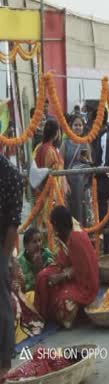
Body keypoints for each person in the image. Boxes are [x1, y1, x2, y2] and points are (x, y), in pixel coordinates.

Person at [33, 206, 98, 328]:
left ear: (59, 225)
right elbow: (64, 259)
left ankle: (53, 313)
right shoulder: (67, 234)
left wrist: (61, 277)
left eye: (54, 226)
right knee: (42, 277)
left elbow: (82, 270)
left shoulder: (76, 238)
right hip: (68, 271)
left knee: (63, 303)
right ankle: (41, 315)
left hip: (84, 285)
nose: (54, 230)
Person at [0, 156, 23, 380]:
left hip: (1, 246)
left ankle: (4, 367)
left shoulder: (10, 175)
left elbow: (13, 222)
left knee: (2, 304)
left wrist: (5, 258)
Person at [33, 119, 69, 240]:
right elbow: (52, 175)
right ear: (56, 133)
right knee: (51, 228)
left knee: (43, 227)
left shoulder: (39, 148)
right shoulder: (50, 151)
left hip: (41, 194)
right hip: (50, 196)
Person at [91, 111, 109, 253]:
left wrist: (91, 169)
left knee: (105, 218)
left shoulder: (104, 138)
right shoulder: (103, 136)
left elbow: (104, 164)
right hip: (106, 181)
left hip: (106, 183)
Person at [60, 115, 93, 226]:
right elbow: (60, 165)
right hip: (68, 184)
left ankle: (81, 231)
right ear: (71, 127)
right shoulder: (65, 144)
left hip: (81, 185)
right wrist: (64, 181)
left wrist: (85, 160)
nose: (78, 127)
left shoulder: (85, 143)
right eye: (76, 125)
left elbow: (89, 164)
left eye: (80, 125)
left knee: (81, 209)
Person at [17, 227, 54, 293]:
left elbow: (52, 281)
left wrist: (41, 269)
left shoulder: (47, 255)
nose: (38, 244)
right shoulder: (20, 261)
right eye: (34, 242)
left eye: (39, 240)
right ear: (26, 245)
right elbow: (23, 288)